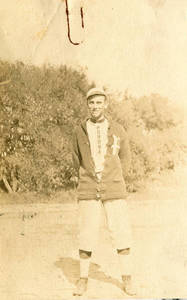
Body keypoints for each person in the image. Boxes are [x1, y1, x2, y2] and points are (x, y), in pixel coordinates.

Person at [71, 87, 136, 296]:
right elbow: (76, 159)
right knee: (86, 232)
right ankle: (82, 280)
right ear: (87, 105)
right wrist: (88, 177)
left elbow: (126, 157)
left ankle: (127, 280)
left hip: (114, 186)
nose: (95, 106)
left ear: (105, 104)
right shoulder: (79, 130)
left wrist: (115, 176)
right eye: (91, 103)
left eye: (99, 102)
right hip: (89, 187)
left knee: (120, 231)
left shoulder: (117, 129)